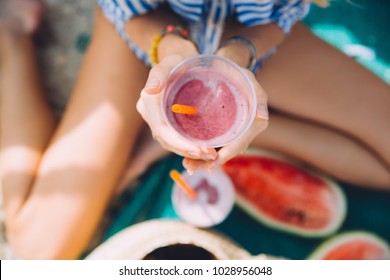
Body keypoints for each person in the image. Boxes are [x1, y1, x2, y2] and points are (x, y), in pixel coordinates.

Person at [0, 0, 389, 261]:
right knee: (39, 247)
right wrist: (171, 51)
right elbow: (127, 10)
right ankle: (11, 35)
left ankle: (238, 131)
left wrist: (238, 64)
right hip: (146, 28)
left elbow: (281, 13)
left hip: (248, 42)